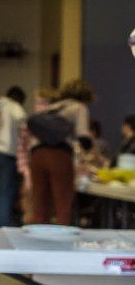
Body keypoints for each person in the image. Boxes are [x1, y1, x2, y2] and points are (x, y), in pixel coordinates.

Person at [29, 78, 94, 225]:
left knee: (40, 208)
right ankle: (61, 246)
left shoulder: (52, 107)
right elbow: (83, 137)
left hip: (37, 155)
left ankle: (37, 244)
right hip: (59, 155)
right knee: (62, 207)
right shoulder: (79, 108)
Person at [0, 86, 28, 227]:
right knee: (6, 194)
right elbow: (22, 120)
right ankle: (3, 228)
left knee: (0, 193)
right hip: (8, 153)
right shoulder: (13, 106)